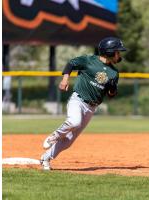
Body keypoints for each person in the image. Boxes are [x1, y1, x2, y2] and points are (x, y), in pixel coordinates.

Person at [40, 37, 127, 170]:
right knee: (74, 121)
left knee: (69, 141)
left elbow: (110, 95)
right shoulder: (89, 60)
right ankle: (55, 136)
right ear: (109, 52)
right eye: (117, 52)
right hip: (78, 100)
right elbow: (71, 64)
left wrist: (113, 89)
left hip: (91, 107)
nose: (119, 54)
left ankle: (46, 158)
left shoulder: (114, 73)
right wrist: (65, 79)